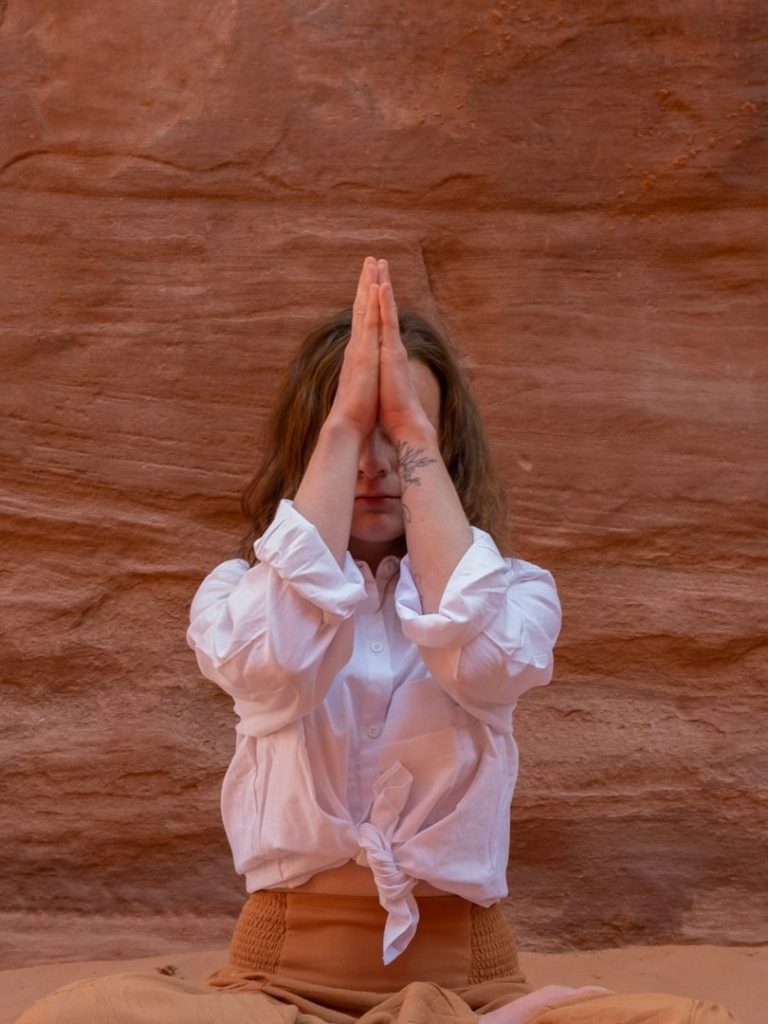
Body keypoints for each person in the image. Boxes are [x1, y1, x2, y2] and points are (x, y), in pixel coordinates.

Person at [15, 258, 741, 1024]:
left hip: (470, 986)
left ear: (444, 448)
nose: (376, 464)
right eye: (354, 432)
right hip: (279, 990)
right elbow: (273, 664)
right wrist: (340, 423)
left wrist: (412, 429)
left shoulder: (517, 593)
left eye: (401, 432)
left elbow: (481, 662)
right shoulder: (235, 595)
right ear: (311, 446)